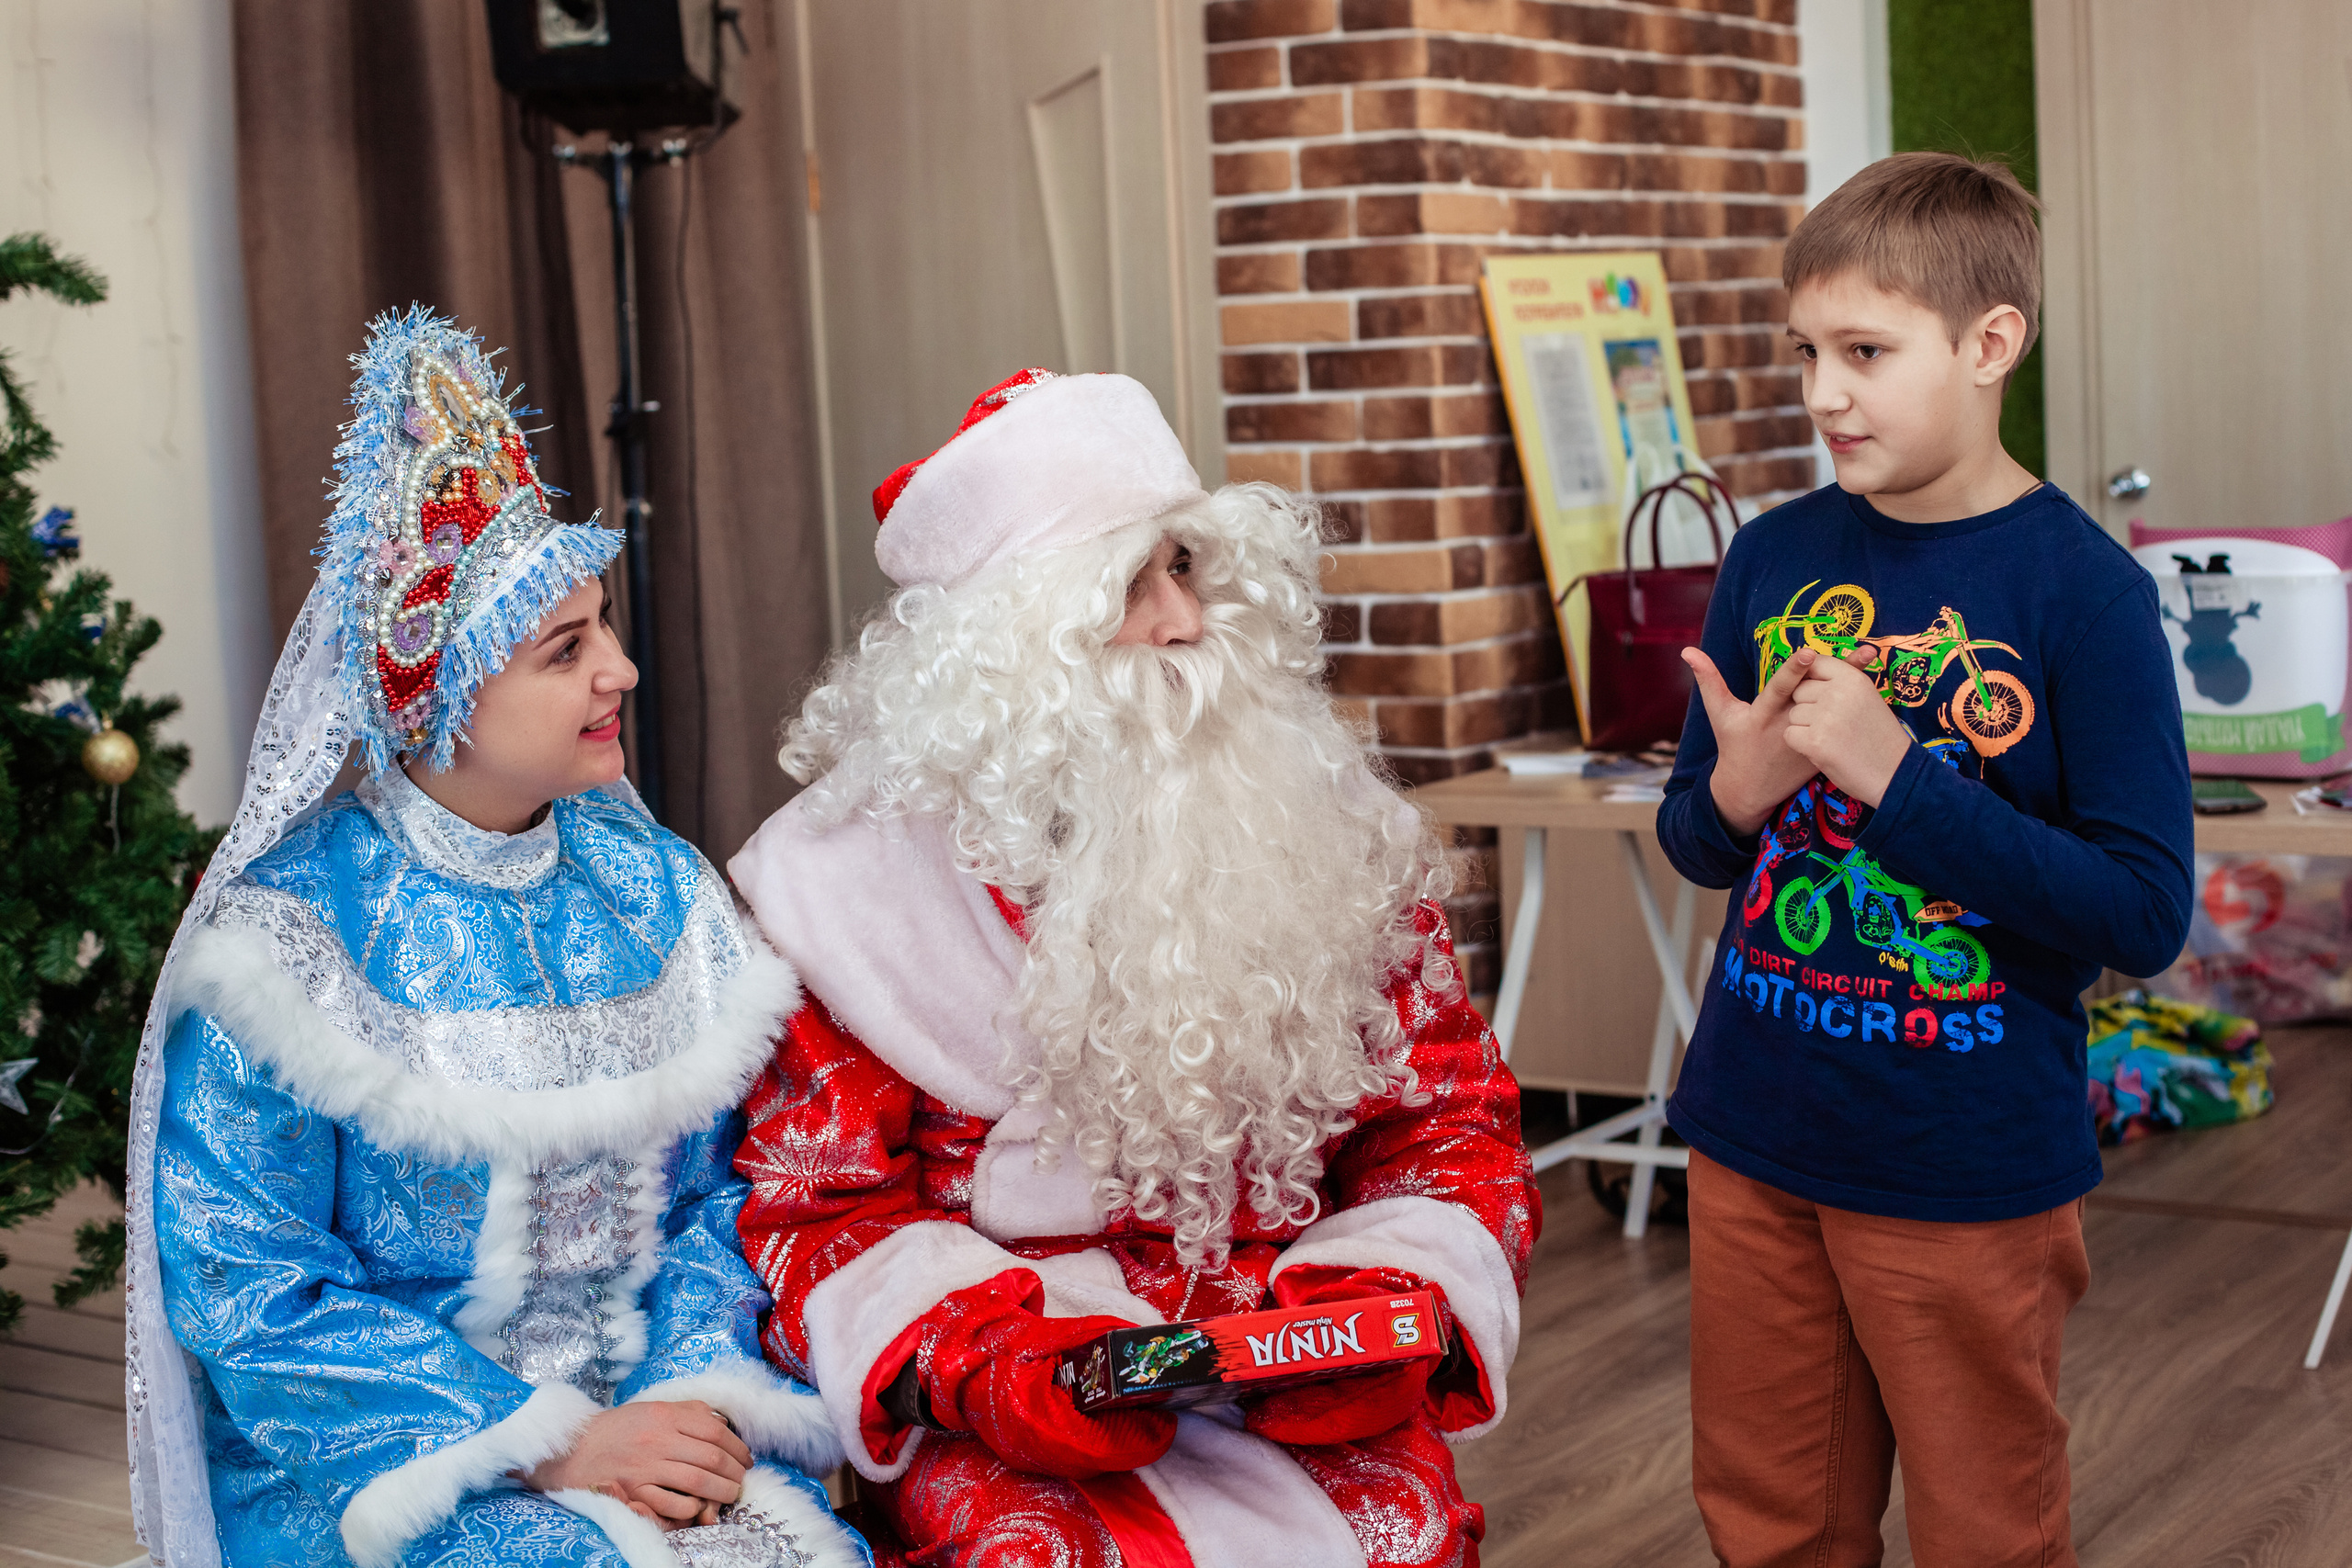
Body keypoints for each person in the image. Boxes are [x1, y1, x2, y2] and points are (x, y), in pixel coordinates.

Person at [727, 368, 1538, 1567]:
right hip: (1015, 1368)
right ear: (1007, 648)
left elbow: (1446, 1119)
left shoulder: (1322, 830)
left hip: (1290, 1330)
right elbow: (819, 1208)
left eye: (1187, 566)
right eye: (1128, 588)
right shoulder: (839, 890)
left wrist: (1382, 1293)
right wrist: (992, 1363)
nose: (1182, 620)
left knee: (1397, 1534)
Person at [123, 310, 866, 1568]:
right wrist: (546, 1441)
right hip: (393, 1461)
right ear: (444, 696)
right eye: (566, 651)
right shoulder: (286, 945)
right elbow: (248, 1286)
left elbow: (724, 1196)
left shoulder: (656, 889)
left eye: (605, 629)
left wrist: (683, 1401)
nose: (621, 671)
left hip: (654, 1419)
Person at [1656, 152, 2194, 1567]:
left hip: (1962, 1166)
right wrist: (1739, 791)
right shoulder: (1770, 556)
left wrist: (1897, 781)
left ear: (1989, 343)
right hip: (1754, 1133)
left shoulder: (2087, 595)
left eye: (1866, 353)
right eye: (1806, 354)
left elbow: (2142, 911)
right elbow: (1696, 836)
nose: (1823, 394)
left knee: (1986, 1530)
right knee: (1770, 1515)